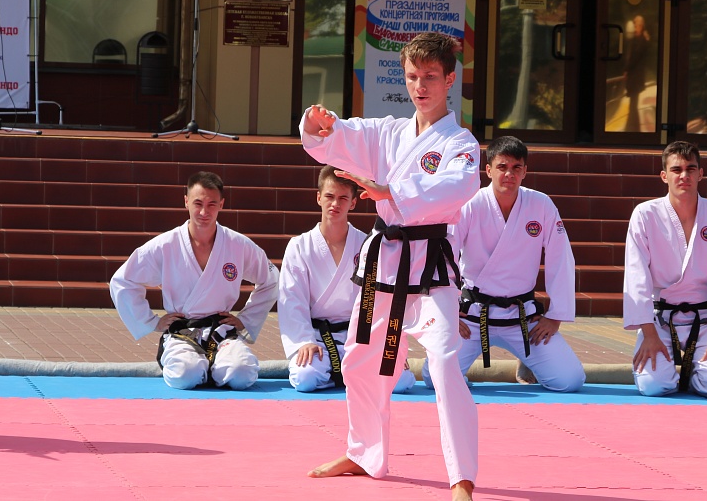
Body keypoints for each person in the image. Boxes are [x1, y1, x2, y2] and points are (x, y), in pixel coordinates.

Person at [299, 32, 480, 501]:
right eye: (413, 76)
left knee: (443, 361)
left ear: (450, 80)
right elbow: (345, 137)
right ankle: (364, 454)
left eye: (431, 77)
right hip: (386, 260)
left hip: (430, 264)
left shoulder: (461, 143)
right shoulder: (389, 132)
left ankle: (461, 476)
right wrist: (321, 126)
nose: (420, 86)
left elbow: (459, 187)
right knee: (361, 358)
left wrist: (392, 192)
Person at [421, 136, 585, 393]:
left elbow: (560, 258)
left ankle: (528, 359)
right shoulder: (469, 203)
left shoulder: (541, 204)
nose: (509, 174)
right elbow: (445, 258)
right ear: (488, 170)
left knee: (570, 380)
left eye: (516, 167)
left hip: (522, 317)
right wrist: (448, 314)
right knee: (434, 378)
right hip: (473, 315)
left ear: (525, 171)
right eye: (502, 167)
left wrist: (555, 317)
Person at [110, 171, 278, 390]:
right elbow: (123, 281)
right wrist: (151, 322)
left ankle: (212, 367)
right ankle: (206, 369)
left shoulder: (238, 245)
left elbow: (272, 280)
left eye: (211, 204)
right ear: (186, 201)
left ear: (221, 204)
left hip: (221, 330)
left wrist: (246, 319)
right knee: (184, 375)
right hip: (183, 331)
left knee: (242, 374)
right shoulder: (165, 245)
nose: (204, 212)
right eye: (198, 203)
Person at [278, 165, 415, 393]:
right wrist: (303, 341)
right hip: (318, 339)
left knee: (401, 380)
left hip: (361, 338)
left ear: (353, 203)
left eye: (343, 198)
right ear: (318, 198)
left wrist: (393, 345)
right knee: (305, 378)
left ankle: (349, 373)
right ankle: (355, 376)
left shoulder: (367, 244)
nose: (335, 204)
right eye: (329, 196)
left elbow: (383, 299)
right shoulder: (299, 246)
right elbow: (291, 300)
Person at [623, 141, 707, 399]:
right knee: (654, 386)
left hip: (706, 317)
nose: (684, 175)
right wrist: (648, 334)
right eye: (676, 170)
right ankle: (671, 372)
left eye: (691, 169)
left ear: (701, 174)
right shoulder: (645, 214)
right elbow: (636, 276)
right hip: (660, 318)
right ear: (664, 176)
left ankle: (693, 374)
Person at [624, 15, 650, 132]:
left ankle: (632, 129)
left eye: (637, 24)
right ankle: (633, 128)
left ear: (641, 25)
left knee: (633, 104)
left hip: (636, 77)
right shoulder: (637, 39)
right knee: (633, 103)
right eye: (634, 24)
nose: (635, 27)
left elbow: (635, 58)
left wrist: (627, 69)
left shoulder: (642, 40)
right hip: (635, 77)